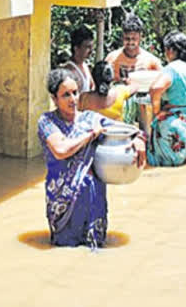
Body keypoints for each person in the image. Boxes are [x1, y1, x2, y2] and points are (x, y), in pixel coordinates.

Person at [37, 69, 146, 248]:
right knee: (62, 249)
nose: (72, 99)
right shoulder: (47, 121)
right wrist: (90, 135)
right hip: (62, 203)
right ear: (54, 99)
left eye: (75, 93)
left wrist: (139, 139)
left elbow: (129, 130)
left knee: (95, 251)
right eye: (65, 95)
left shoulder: (91, 118)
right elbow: (61, 149)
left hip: (93, 199)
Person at [147, 31, 186, 166]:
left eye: (166, 49)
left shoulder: (173, 68)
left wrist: (157, 113)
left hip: (175, 130)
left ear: (172, 50)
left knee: (164, 171)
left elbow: (155, 88)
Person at [105, 13, 162, 83]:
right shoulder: (112, 58)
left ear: (141, 37)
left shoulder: (152, 61)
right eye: (127, 38)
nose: (130, 42)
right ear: (122, 37)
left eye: (134, 39)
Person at [61, 25, 95, 93]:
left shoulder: (85, 66)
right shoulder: (69, 70)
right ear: (76, 48)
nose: (91, 51)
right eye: (87, 47)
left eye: (92, 47)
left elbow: (92, 87)